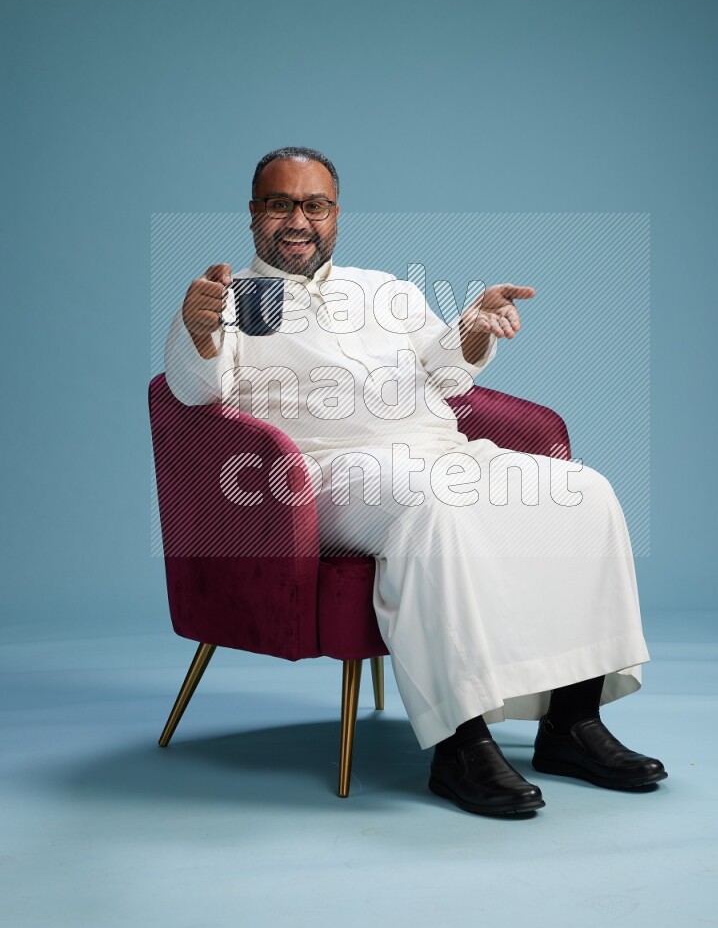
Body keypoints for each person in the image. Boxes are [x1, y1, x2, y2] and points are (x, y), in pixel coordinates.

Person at [164, 144, 667, 819]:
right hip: (323, 475)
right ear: (253, 213)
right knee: (433, 507)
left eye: (315, 205)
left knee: (584, 493)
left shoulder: (386, 291)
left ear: (336, 213)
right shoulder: (226, 301)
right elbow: (194, 393)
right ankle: (461, 745)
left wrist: (475, 328)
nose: (298, 220)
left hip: (437, 449)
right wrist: (198, 331)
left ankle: (573, 722)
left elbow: (446, 372)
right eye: (280, 205)